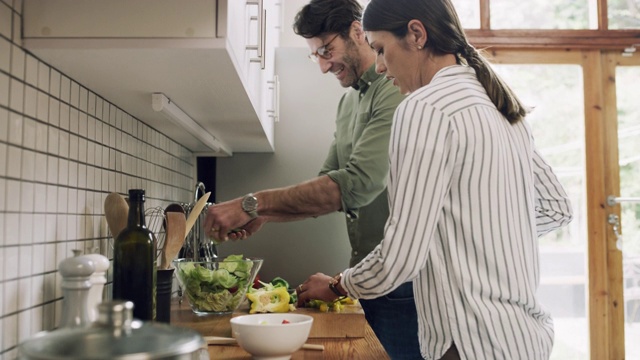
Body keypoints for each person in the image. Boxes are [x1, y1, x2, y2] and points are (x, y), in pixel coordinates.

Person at [295, 0, 575, 359]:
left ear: (416, 34)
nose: (379, 66)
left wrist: (336, 285)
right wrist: (469, 237)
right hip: (524, 340)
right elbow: (556, 208)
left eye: (381, 49)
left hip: (467, 342)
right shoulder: (500, 106)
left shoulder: (424, 108)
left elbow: (400, 258)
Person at [204, 0, 422, 358]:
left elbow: (360, 182)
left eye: (326, 49)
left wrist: (250, 203)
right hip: (368, 276)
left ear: (357, 30)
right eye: (315, 55)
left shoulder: (393, 91)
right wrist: (264, 214)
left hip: (404, 282)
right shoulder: (348, 104)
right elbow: (328, 185)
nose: (322, 66)